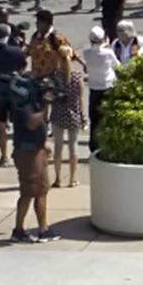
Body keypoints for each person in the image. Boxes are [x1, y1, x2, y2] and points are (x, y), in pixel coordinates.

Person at [8, 73, 61, 243]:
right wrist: (46, 105)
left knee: (34, 192)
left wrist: (43, 144)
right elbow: (31, 123)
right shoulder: (25, 105)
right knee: (35, 192)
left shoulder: (30, 103)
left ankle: (21, 230)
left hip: (35, 150)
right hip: (29, 155)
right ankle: (40, 230)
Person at [0, 24, 26, 166]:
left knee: (1, 125)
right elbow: (23, 66)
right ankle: (19, 153)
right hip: (14, 89)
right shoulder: (16, 51)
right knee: (19, 124)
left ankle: (4, 156)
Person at [50, 46, 84, 188]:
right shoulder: (77, 77)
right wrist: (83, 116)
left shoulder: (55, 76)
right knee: (73, 147)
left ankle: (58, 178)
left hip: (58, 114)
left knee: (58, 147)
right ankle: (72, 179)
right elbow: (80, 99)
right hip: (73, 114)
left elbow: (51, 96)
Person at [82, 26, 119, 152]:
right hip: (107, 87)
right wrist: (107, 45)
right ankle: (109, 146)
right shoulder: (108, 53)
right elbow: (117, 65)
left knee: (95, 118)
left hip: (94, 89)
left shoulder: (86, 53)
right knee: (108, 117)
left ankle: (93, 146)